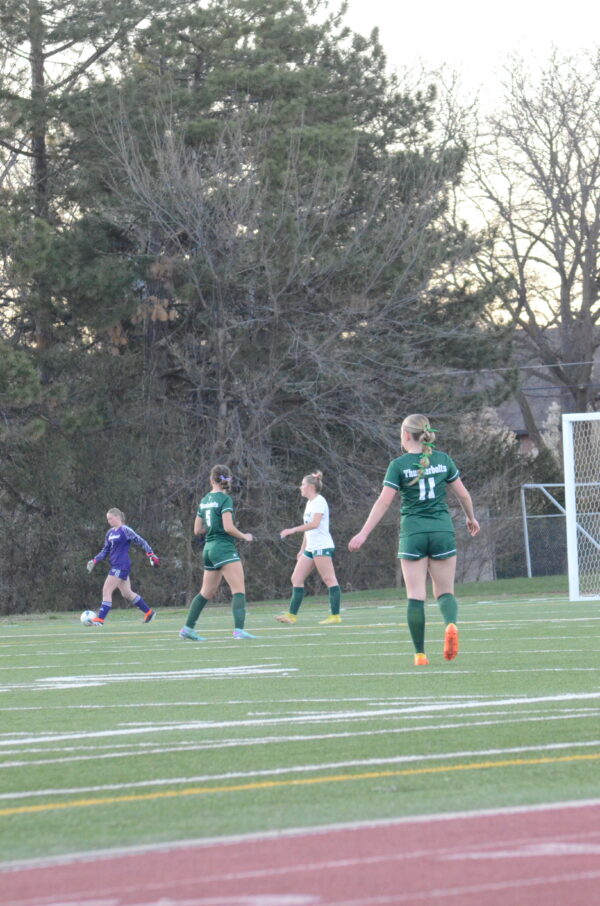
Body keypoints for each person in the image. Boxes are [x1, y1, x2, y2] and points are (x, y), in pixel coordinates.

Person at [348, 414, 480, 665]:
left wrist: (363, 533)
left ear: (406, 435)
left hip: (413, 534)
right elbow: (463, 495)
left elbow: (384, 501)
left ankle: (420, 654)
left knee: (415, 595)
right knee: (445, 592)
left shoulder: (398, 465)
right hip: (442, 530)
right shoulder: (443, 460)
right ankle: (450, 624)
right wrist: (471, 518)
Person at [179, 464, 257, 641]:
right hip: (223, 548)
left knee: (206, 592)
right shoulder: (224, 499)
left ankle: (187, 628)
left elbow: (197, 529)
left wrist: (213, 528)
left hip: (208, 549)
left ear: (211, 479)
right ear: (227, 480)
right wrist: (244, 536)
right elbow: (229, 527)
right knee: (238, 590)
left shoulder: (205, 499)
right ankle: (239, 631)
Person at [276, 471, 342, 625]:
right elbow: (308, 530)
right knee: (296, 578)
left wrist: (292, 530)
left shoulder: (319, 501)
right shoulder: (310, 503)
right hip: (311, 548)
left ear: (311, 486)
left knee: (329, 579)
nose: (301, 487)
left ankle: (335, 616)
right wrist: (302, 549)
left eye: (303, 484)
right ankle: (291, 616)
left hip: (322, 546)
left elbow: (314, 524)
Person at [86, 508, 160, 625]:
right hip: (116, 565)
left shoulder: (125, 530)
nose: (109, 521)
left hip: (121, 565)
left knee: (106, 590)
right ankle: (149, 612)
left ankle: (100, 619)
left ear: (117, 517)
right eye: (107, 519)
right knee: (127, 593)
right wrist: (95, 560)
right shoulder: (109, 533)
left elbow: (141, 541)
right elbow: (105, 550)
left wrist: (151, 554)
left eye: (110, 518)